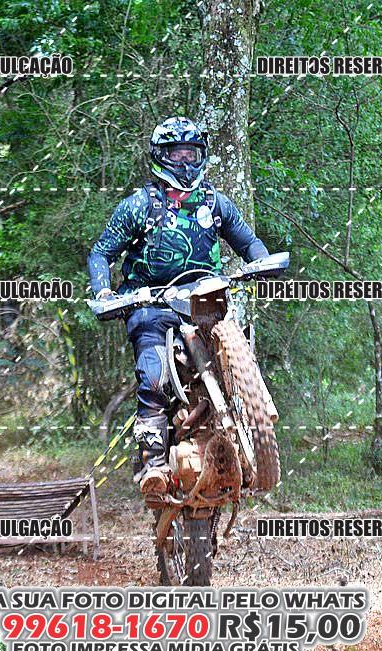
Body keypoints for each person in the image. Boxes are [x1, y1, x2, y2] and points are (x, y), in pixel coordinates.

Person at [87, 116, 271, 494]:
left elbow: (249, 242)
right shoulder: (139, 206)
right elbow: (101, 252)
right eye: (177, 154)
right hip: (150, 303)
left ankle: (254, 425)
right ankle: (153, 463)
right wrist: (105, 293)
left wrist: (262, 262)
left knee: (239, 351)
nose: (186, 162)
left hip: (205, 299)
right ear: (161, 156)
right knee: (154, 377)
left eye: (192, 153)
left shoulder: (215, 203)